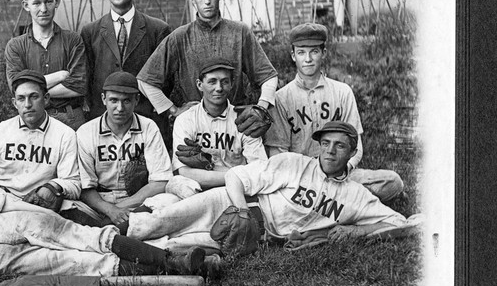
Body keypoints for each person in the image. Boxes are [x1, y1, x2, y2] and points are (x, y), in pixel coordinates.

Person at [0, 143, 210, 281]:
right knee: (72, 263)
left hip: (0, 222)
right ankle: (171, 271)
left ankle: (172, 260)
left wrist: (36, 213)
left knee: (83, 234)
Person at [125, 122, 421, 252]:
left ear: (351, 152)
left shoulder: (356, 196)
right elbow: (236, 177)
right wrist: (240, 210)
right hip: (235, 204)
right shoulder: (292, 162)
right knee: (161, 222)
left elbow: (397, 222)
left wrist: (357, 231)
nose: (330, 151)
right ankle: (110, 230)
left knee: (178, 243)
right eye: (325, 144)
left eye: (339, 146)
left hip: (258, 237)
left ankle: (120, 253)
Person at [265, 23, 404, 202]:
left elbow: (356, 146)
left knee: (393, 182)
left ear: (324, 53)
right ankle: (349, 205)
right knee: (289, 196)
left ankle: (338, 203)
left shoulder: (342, 91)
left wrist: (344, 170)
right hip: (302, 181)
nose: (308, 59)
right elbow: (278, 155)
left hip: (341, 176)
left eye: (314, 51)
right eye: (301, 52)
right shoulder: (281, 99)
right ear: (293, 56)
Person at [136, 0, 279, 138]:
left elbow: (268, 76)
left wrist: (261, 108)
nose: (207, 1)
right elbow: (145, 81)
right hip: (195, 126)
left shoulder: (239, 32)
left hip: (235, 125)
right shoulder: (180, 37)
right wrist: (174, 110)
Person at [0, 70, 81, 211]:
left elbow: (73, 183)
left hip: (36, 202)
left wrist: (52, 186)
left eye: (33, 97)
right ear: (14, 103)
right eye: (21, 98)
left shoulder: (64, 135)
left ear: (46, 99)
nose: (27, 104)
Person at [80, 0, 172, 137]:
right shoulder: (90, 31)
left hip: (146, 116)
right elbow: (88, 76)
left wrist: (155, 106)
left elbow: (166, 79)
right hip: (104, 118)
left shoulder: (157, 29)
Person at [76, 71, 173, 227]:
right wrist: (109, 210)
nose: (120, 108)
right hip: (100, 202)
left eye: (126, 101)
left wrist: (118, 210)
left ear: (136, 100)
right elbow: (85, 187)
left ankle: (108, 232)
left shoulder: (148, 127)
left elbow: (160, 181)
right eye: (113, 100)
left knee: (169, 201)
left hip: (139, 199)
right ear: (103, 99)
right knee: (69, 207)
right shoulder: (86, 132)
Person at [168, 58, 267, 200]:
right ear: (199, 84)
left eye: (225, 81)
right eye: (212, 81)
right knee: (177, 183)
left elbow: (259, 170)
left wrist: (209, 168)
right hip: (198, 190)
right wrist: (236, 173)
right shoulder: (186, 119)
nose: (219, 88)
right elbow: (184, 172)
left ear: (231, 84)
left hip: (238, 189)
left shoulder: (244, 119)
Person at [4, 0, 87, 130]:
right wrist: (60, 76)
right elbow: (17, 88)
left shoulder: (73, 40)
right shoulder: (15, 46)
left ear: (57, 1)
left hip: (70, 119)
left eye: (48, 1)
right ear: (26, 5)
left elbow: (79, 86)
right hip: (32, 121)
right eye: (36, 3)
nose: (43, 9)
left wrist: (33, 92)